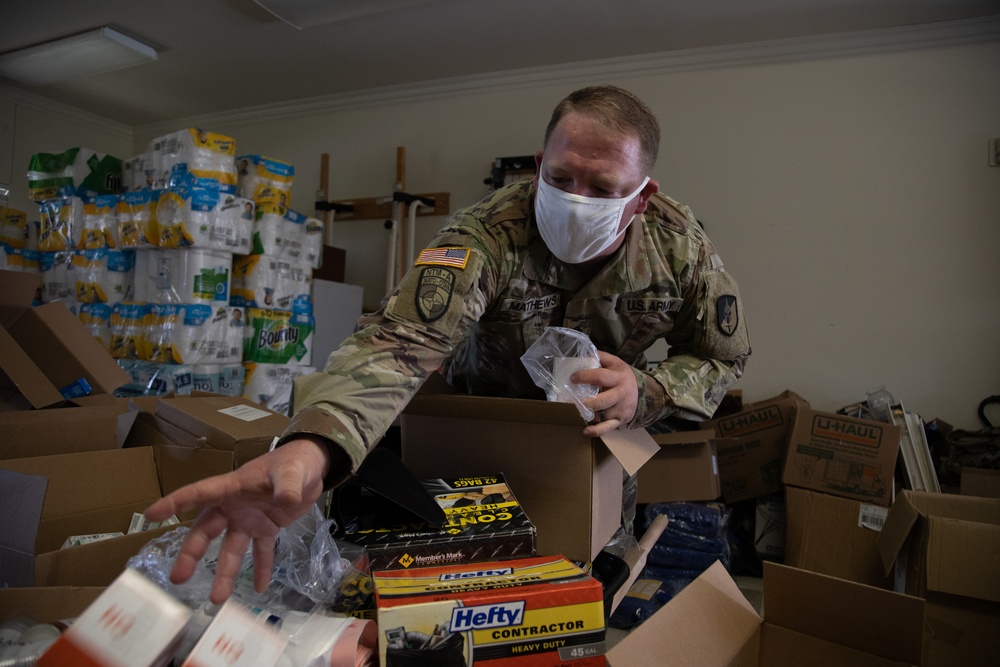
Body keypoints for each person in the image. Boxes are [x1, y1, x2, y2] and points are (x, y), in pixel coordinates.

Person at [145, 85, 751, 603]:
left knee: (577, 581)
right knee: (467, 578)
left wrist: (647, 390)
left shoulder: (680, 250)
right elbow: (398, 341)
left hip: (600, 437)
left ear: (641, 196)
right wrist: (316, 443)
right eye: (561, 178)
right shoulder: (486, 234)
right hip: (478, 430)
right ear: (539, 164)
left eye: (602, 187)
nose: (576, 200)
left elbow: (724, 356)